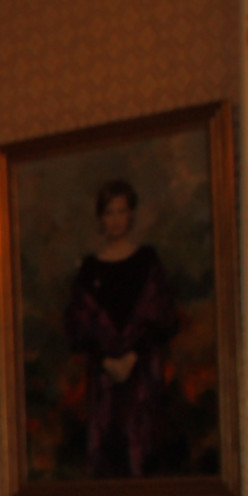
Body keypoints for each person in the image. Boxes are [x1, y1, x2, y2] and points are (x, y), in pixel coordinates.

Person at [66, 178, 181, 479]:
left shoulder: (147, 261)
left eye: (121, 211)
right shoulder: (89, 269)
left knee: (142, 446)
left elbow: (162, 317)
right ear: (101, 218)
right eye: (109, 212)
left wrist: (132, 357)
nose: (116, 219)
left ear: (131, 214)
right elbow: (79, 326)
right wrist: (106, 360)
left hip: (141, 373)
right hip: (104, 379)